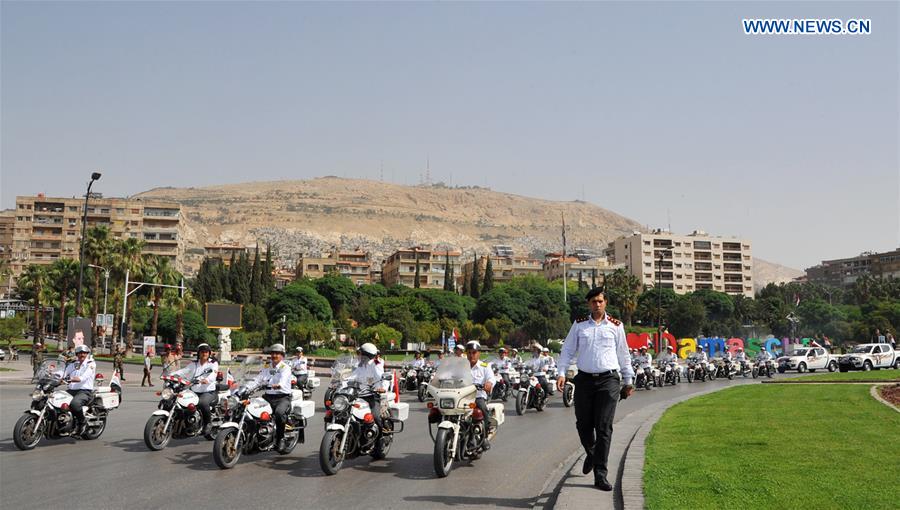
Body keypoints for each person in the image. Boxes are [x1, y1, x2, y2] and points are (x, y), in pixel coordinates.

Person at [556, 287, 634, 491]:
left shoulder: (616, 326)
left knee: (604, 427)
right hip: (584, 380)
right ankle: (591, 454)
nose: (597, 304)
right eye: (593, 302)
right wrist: (562, 372)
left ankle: (600, 474)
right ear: (588, 304)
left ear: (605, 303)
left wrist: (628, 379)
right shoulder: (580, 325)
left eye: (600, 301)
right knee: (583, 424)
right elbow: (567, 350)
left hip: (609, 381)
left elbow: (623, 354)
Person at [245, 344, 293, 450]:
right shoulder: (267, 366)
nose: (274, 355)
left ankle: (281, 439)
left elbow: (284, 379)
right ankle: (257, 435)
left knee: (279, 414)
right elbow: (259, 378)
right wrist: (247, 386)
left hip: (282, 397)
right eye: (272, 353)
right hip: (268, 397)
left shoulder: (285, 368)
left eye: (277, 353)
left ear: (282, 355)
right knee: (250, 408)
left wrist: (279, 385)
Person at [173, 343, 219, 435]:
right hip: (194, 391)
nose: (204, 353)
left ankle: (208, 423)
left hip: (208, 392)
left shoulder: (213, 363)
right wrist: (171, 375)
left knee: (203, 403)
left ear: (209, 353)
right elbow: (184, 371)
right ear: (199, 353)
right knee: (180, 400)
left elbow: (213, 374)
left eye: (206, 352)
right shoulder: (194, 364)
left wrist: (206, 379)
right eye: (202, 352)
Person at [57, 344, 96, 435]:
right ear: (77, 354)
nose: (82, 355)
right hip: (71, 391)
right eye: (80, 353)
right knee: (56, 399)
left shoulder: (91, 364)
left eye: (84, 353)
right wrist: (55, 375)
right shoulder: (74, 364)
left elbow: (84, 377)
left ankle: (82, 422)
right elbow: (64, 371)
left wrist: (72, 379)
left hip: (85, 391)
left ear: (87, 354)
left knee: (75, 404)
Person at [350, 342, 388, 432]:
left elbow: (384, 377)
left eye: (361, 354)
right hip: (358, 394)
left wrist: (383, 388)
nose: (359, 355)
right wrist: (341, 382)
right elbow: (352, 377)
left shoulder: (375, 365)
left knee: (375, 416)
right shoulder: (359, 365)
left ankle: (381, 436)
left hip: (372, 395)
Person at [465, 341, 495, 449]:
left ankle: (485, 436)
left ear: (478, 353)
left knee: (482, 408)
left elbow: (491, 378)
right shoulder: (462, 365)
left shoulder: (484, 366)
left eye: (474, 352)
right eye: (469, 352)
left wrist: (489, 383)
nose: (471, 355)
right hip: (462, 397)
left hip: (478, 396)